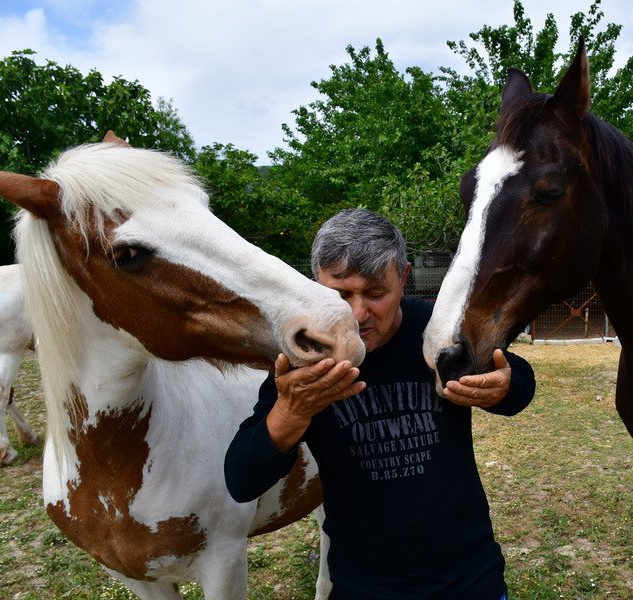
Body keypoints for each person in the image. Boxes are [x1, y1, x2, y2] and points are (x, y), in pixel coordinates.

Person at [225, 208, 535, 599]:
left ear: (403, 278)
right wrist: (291, 411)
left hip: (469, 579)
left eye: (375, 293)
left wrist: (505, 387)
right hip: (362, 586)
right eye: (339, 295)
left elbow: (520, 386)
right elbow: (240, 479)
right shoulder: (307, 359)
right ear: (315, 283)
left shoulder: (436, 330)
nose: (358, 314)